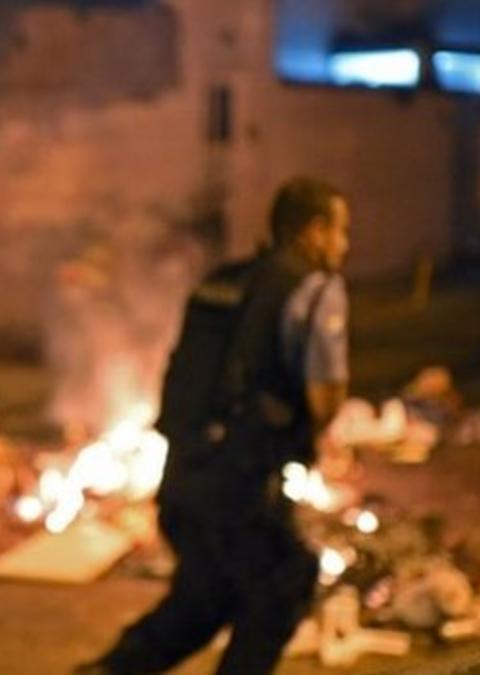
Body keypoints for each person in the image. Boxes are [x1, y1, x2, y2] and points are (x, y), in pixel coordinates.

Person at [79, 176, 352, 675]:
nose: (344, 246)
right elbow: (324, 396)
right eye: (341, 232)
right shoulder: (314, 290)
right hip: (240, 485)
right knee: (282, 589)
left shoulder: (222, 281)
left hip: (184, 478)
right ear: (314, 232)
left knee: (204, 601)